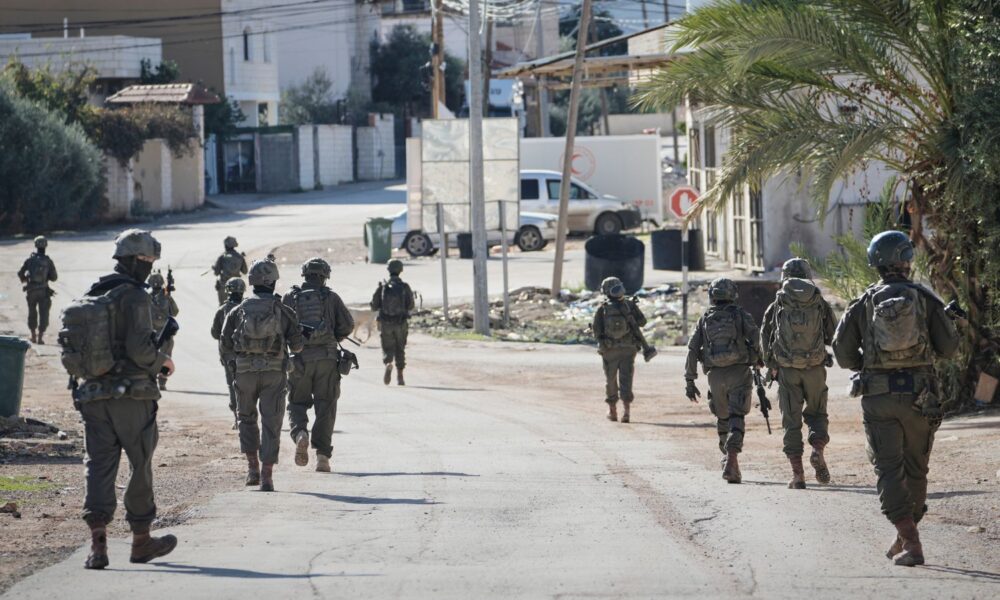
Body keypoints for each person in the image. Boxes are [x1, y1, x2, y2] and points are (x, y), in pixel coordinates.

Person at [832, 231, 960, 567]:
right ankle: (908, 535)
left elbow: (843, 353)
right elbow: (948, 349)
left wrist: (870, 365)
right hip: (922, 396)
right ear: (906, 260)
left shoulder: (864, 302)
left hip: (879, 397)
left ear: (875, 261)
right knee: (916, 469)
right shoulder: (925, 298)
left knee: (888, 469)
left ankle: (910, 540)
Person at [58, 228, 177, 569]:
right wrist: (163, 362)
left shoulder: (96, 292)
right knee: (139, 464)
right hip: (132, 397)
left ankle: (98, 547)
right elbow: (140, 350)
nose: (151, 266)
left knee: (98, 465)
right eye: (149, 260)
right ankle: (141, 541)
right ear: (137, 260)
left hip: (93, 395)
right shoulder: (135, 296)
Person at [220, 259, 304, 491]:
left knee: (246, 419)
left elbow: (225, 343)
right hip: (274, 374)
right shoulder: (283, 310)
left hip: (244, 373)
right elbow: (297, 346)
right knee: (271, 422)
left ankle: (252, 470)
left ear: (252, 282)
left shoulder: (238, 310)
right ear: (274, 282)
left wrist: (235, 365)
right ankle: (267, 476)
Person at [760, 258, 837, 489]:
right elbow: (833, 334)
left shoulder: (778, 303)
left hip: (787, 371)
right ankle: (817, 449)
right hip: (815, 369)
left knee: (791, 423)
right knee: (817, 414)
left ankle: (798, 475)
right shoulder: (818, 301)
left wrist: (770, 364)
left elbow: (765, 337)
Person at [684, 278, 761, 484]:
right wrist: (758, 360)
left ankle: (726, 456)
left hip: (715, 376)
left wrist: (690, 381)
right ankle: (732, 458)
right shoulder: (741, 315)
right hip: (739, 372)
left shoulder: (705, 318)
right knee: (737, 416)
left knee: (722, 417)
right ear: (733, 294)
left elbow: (692, 349)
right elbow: (756, 339)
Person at [282, 258, 354, 472]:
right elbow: (347, 325)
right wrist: (333, 338)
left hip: (299, 361)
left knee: (296, 404)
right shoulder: (331, 297)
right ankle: (322, 457)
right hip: (328, 361)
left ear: (304, 274)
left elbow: (281, 328)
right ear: (325, 275)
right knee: (326, 407)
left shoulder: (289, 297)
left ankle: (300, 434)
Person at [591, 277, 647, 423]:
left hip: (610, 350)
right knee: (626, 379)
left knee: (610, 380)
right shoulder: (629, 305)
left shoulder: (602, 308)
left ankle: (612, 411)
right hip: (629, 349)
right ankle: (626, 412)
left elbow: (597, 331)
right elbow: (642, 322)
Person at [370, 259, 415, 386]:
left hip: (386, 323)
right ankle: (400, 376)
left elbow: (374, 306)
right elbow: (411, 305)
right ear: (401, 270)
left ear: (389, 270)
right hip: (401, 323)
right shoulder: (405, 287)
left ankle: (389, 363)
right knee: (400, 348)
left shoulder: (383, 287)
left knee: (387, 347)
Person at [212, 277, 246, 428]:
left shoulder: (222, 310)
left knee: (232, 385)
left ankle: (238, 418)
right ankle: (248, 416)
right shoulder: (247, 307)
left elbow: (214, 333)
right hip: (246, 353)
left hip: (228, 355)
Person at [17, 235, 58, 344]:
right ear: (46, 246)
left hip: (31, 291)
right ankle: (40, 337)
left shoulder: (30, 260)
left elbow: (20, 273)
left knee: (32, 312)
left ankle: (33, 335)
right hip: (43, 291)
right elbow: (54, 278)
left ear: (35, 245)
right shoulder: (48, 261)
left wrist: (25, 280)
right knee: (44, 313)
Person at [147, 272, 180, 391]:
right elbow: (175, 312)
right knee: (166, 357)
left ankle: (151, 380)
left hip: (150, 333)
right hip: (165, 333)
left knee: (150, 357)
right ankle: (162, 382)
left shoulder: (145, 297)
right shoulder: (166, 296)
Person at [212, 236, 247, 305]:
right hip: (237, 287)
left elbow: (216, 273)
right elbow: (245, 271)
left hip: (224, 286)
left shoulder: (222, 257)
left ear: (227, 245)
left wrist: (215, 268)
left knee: (223, 307)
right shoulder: (240, 257)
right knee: (237, 306)